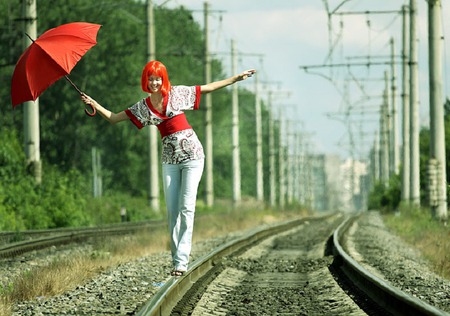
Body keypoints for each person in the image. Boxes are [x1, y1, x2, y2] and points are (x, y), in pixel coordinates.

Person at [81, 60, 256, 276]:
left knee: (186, 207)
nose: (154, 82)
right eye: (151, 78)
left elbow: (208, 87)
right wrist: (93, 104)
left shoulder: (177, 94)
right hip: (169, 160)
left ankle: (181, 261)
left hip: (193, 156)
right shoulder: (143, 107)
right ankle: (176, 261)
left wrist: (236, 78)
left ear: (163, 79)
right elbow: (114, 118)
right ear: (146, 80)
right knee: (173, 211)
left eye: (158, 78)